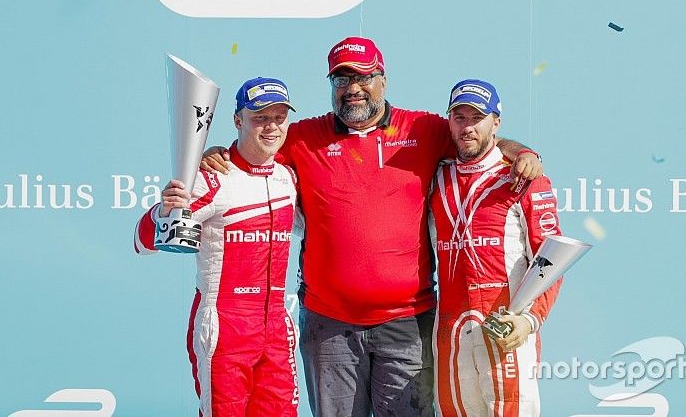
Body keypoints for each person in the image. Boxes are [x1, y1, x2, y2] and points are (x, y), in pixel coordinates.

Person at [201, 37, 543, 416]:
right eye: (342, 80)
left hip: (407, 323)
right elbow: (254, 148)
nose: (354, 89)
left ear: (383, 79)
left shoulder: (424, 129)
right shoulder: (302, 136)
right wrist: (218, 152)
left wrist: (523, 152)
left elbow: (478, 139)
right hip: (328, 325)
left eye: (364, 77)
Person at [134, 77, 300, 417]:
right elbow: (143, 242)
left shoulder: (287, 177)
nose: (271, 126)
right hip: (225, 326)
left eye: (279, 117)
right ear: (238, 120)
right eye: (260, 117)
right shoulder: (211, 178)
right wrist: (165, 211)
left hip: (276, 325)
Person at [429, 79, 561, 416]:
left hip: (505, 329)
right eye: (459, 118)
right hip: (451, 335)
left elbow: (552, 260)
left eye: (477, 118)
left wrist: (530, 320)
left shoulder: (524, 178)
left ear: (496, 122)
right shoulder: (434, 179)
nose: (467, 127)